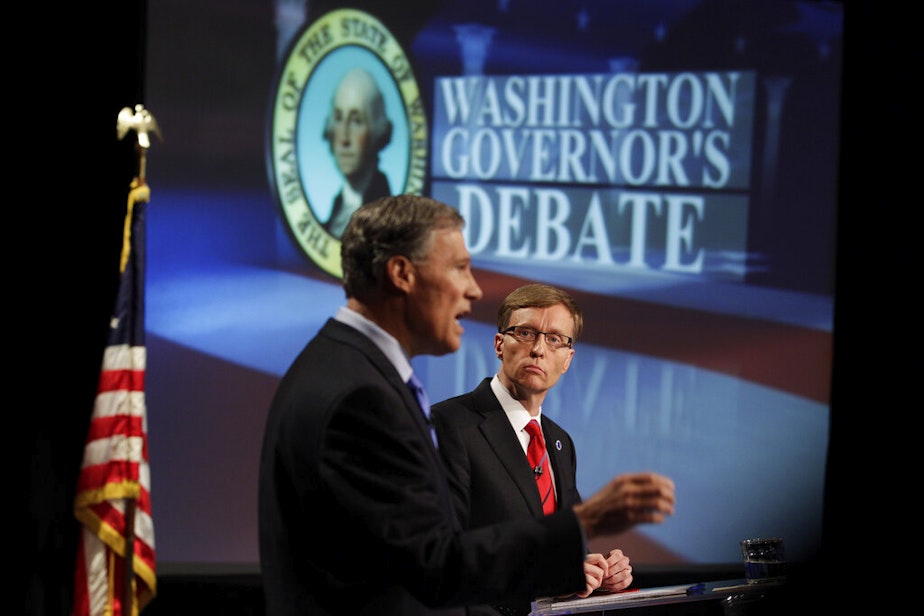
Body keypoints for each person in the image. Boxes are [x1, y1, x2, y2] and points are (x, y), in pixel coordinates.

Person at [258, 194, 676, 615]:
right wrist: (583, 524)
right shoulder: (361, 395)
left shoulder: (343, 365)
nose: (474, 289)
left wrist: (574, 567)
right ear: (402, 273)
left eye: (555, 340)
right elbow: (434, 568)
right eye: (459, 268)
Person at [431, 284, 658, 616]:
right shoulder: (449, 424)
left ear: (567, 359)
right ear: (499, 344)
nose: (538, 349)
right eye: (525, 333)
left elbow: (562, 547)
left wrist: (598, 571)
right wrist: (556, 573)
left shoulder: (559, 442)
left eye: (554, 339)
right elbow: (447, 552)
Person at [321, 66, 393, 238]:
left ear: (377, 133)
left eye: (356, 121)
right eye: (338, 118)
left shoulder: (387, 214)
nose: (344, 138)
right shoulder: (334, 212)